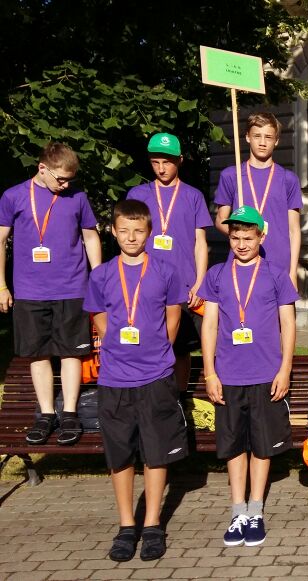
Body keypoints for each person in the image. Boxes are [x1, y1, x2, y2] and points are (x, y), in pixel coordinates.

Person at [85, 200, 189, 562]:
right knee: (120, 454)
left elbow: (173, 316)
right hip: (115, 378)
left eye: (138, 231)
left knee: (156, 452)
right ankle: (127, 525)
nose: (131, 237)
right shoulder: (101, 275)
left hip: (156, 375)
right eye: (124, 231)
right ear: (113, 232)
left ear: (149, 232)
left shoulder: (165, 270)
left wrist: (159, 350)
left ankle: (153, 524)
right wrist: (116, 343)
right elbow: (99, 315)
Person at [199, 206, 299, 548]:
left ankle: (256, 510)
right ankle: (238, 511)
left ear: (261, 237)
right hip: (228, 375)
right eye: (235, 238)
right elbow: (209, 325)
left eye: (248, 238)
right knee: (233, 446)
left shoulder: (276, 275)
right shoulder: (217, 275)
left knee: (261, 444)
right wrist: (209, 372)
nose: (241, 244)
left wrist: (285, 369)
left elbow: (288, 324)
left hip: (266, 374)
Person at [0, 142, 102, 445]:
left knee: (72, 351)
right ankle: (46, 414)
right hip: (30, 291)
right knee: (37, 353)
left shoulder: (77, 197)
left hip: (72, 288)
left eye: (70, 179)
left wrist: (98, 280)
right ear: (42, 168)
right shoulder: (13, 196)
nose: (66, 185)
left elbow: (90, 237)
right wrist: (1, 285)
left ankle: (69, 413)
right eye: (61, 179)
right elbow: (0, 240)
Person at [126, 133, 212, 393]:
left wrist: (199, 282)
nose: (161, 168)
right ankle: (148, 395)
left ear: (180, 160)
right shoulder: (138, 194)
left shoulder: (193, 196)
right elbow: (127, 238)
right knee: (145, 344)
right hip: (146, 284)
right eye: (155, 162)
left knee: (180, 349)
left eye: (167, 162)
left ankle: (179, 398)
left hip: (183, 287)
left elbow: (200, 243)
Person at [214, 112, 302, 288]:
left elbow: (294, 230)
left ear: (276, 140)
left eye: (268, 137)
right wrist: (244, 235)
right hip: (242, 260)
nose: (262, 142)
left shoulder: (288, 179)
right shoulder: (232, 175)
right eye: (257, 136)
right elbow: (220, 220)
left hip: (279, 263)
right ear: (247, 137)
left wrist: (293, 272)